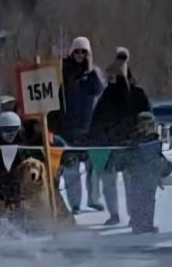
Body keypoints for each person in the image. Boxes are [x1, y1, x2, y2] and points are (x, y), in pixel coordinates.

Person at [88, 48, 152, 226]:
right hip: (110, 146)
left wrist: (145, 137)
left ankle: (134, 215)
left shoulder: (137, 94)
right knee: (109, 182)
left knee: (131, 181)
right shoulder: (107, 96)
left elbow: (148, 118)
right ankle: (114, 214)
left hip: (131, 145)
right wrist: (95, 141)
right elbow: (97, 121)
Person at [55, 37, 105, 214]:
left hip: (89, 128)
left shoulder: (93, 73)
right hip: (69, 128)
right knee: (71, 168)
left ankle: (93, 199)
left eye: (84, 52)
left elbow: (99, 91)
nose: (80, 55)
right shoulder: (63, 71)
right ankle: (75, 203)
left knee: (94, 167)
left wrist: (91, 71)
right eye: (77, 51)